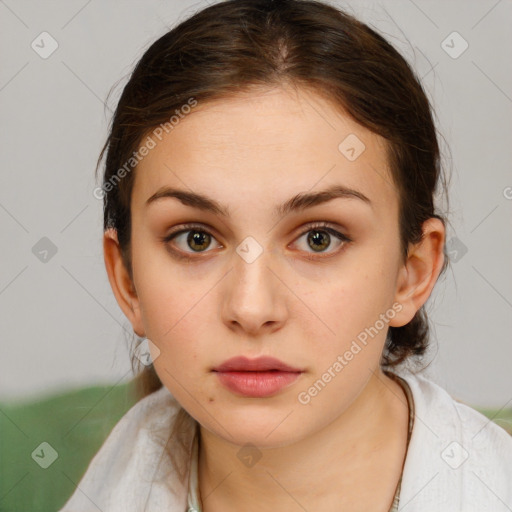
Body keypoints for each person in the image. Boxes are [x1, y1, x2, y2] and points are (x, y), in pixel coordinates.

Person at [59, 0, 512, 510]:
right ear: (127, 279)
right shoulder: (116, 477)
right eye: (196, 239)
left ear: (411, 274)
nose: (252, 309)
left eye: (320, 238)